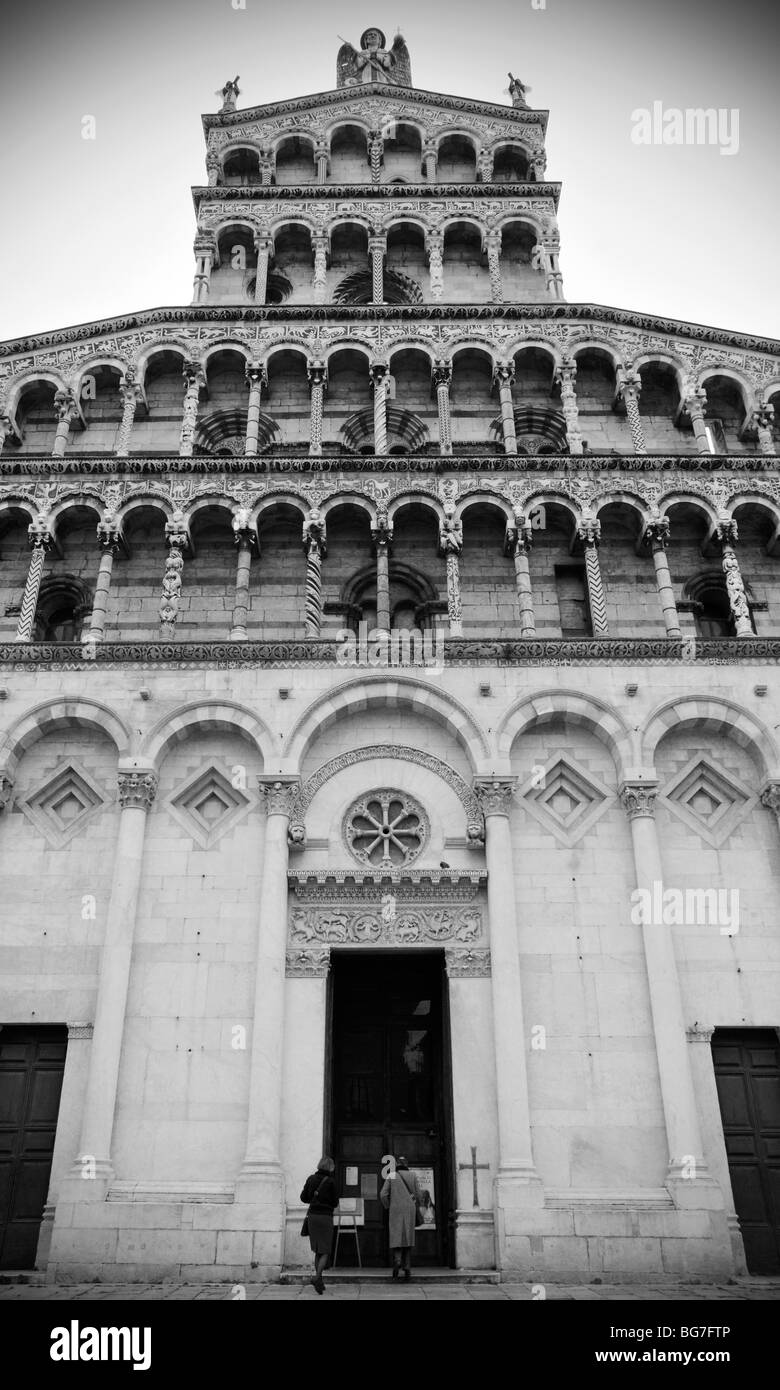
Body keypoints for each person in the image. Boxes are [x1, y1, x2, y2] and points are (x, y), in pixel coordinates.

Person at [300, 1156, 338, 1294]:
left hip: (313, 1217)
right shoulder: (331, 1182)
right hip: (325, 1217)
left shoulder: (311, 1179)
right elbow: (335, 1203)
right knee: (326, 1250)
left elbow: (303, 1198)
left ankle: (319, 1280)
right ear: (330, 1167)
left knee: (318, 1250)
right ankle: (317, 1277)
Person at [380, 1155, 421, 1280]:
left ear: (396, 1165)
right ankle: (407, 1267)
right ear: (407, 1165)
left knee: (397, 1237)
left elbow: (383, 1194)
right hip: (409, 1209)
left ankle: (397, 1261)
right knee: (408, 1238)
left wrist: (388, 1206)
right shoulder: (413, 1175)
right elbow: (418, 1194)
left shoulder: (392, 1175)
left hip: (396, 1209)